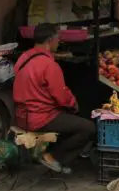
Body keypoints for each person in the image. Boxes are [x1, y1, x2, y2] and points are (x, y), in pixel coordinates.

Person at [13, 23, 95, 173]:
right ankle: (54, 157)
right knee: (88, 127)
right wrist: (73, 103)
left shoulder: (23, 58)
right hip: (40, 118)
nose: (59, 42)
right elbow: (62, 97)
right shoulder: (49, 65)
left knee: (71, 120)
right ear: (50, 40)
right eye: (58, 38)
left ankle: (52, 154)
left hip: (21, 115)